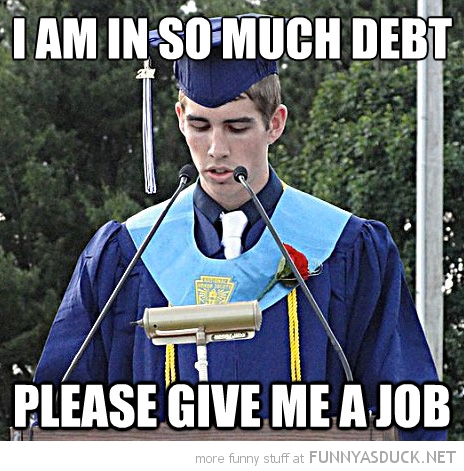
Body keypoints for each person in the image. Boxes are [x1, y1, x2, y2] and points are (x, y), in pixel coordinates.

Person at [33, 15, 446, 440]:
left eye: (237, 126)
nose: (216, 149)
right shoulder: (125, 256)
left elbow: (406, 412)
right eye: (199, 125)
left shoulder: (345, 248)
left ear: (275, 123)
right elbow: (60, 415)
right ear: (179, 118)